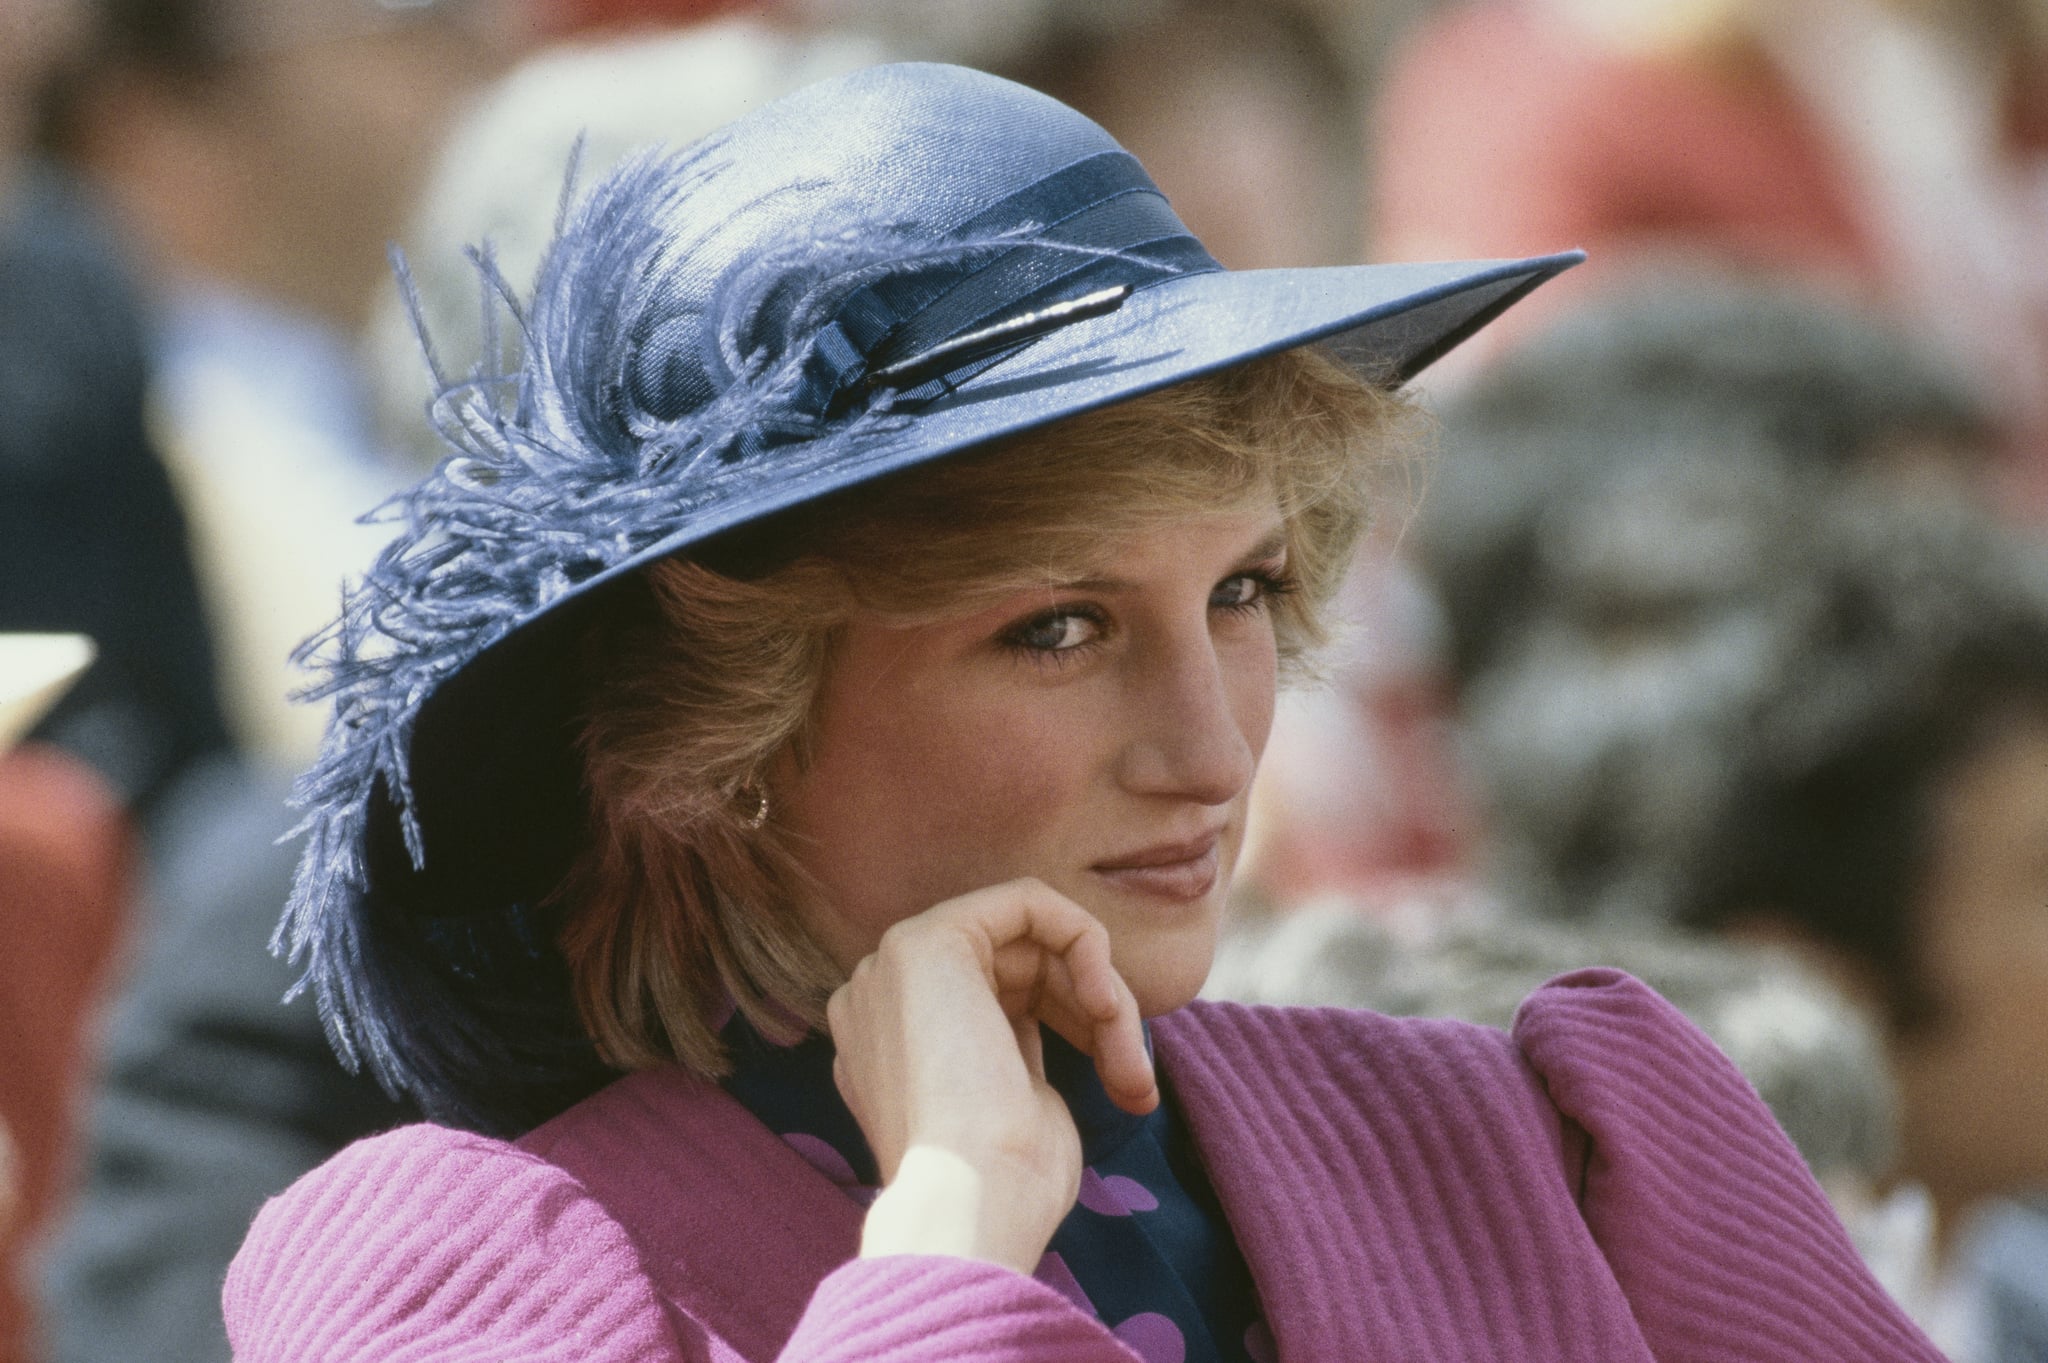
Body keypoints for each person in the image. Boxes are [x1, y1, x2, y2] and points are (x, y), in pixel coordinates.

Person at [223, 63, 1938, 1361]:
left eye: (1245, 596)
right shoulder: (462, 1273)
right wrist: (953, 1237)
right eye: (1056, 629)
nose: (1209, 750)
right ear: (707, 727)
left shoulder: (1562, 1142)